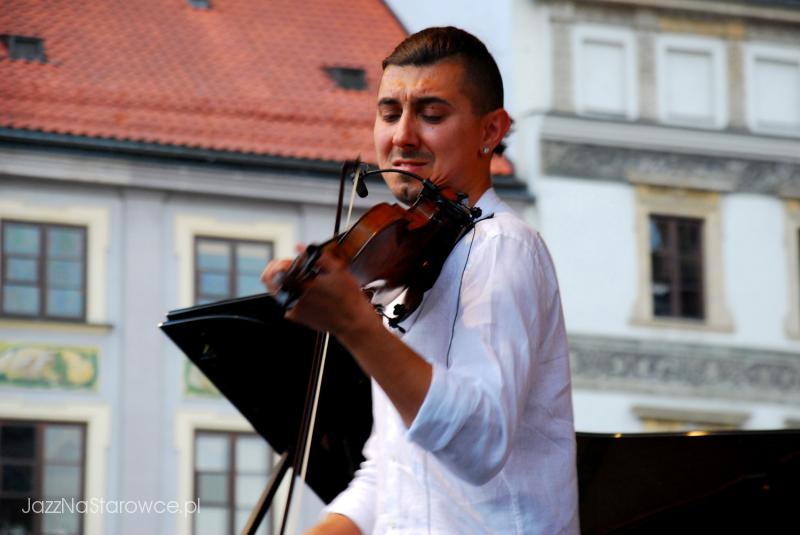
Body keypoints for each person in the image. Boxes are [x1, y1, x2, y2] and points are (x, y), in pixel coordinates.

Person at [262, 26, 579, 535]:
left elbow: (481, 442)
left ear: (490, 131)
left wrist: (354, 325)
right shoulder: (409, 264)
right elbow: (393, 470)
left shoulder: (501, 246)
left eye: (431, 115)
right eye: (390, 114)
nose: (402, 136)